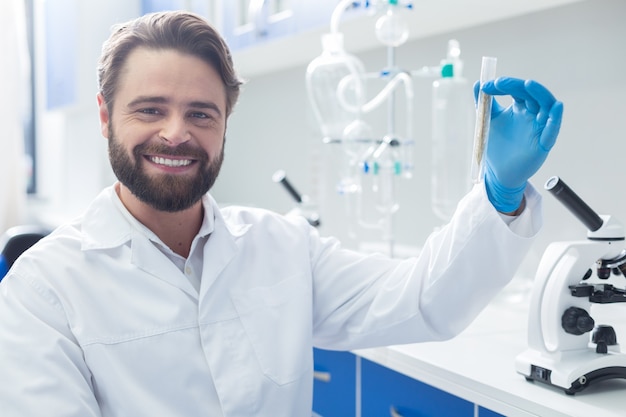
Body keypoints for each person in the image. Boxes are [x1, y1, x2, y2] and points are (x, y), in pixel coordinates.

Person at [0, 10, 563, 417]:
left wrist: (499, 192)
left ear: (224, 124)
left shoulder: (281, 247)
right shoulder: (42, 291)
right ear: (105, 116)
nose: (176, 132)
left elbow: (421, 300)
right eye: (150, 109)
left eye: (201, 113)